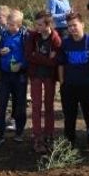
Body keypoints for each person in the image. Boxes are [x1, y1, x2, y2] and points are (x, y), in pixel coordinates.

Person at [58, 12, 89, 154]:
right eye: (69, 26)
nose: (72, 29)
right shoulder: (65, 42)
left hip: (87, 86)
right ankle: (69, 143)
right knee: (69, 116)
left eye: (74, 25)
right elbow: (61, 64)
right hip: (69, 86)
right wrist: (62, 82)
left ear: (82, 25)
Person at [27, 10, 62, 153]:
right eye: (37, 24)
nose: (38, 27)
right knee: (36, 106)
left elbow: (54, 62)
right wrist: (45, 58)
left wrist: (38, 56)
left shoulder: (55, 39)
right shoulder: (33, 37)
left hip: (49, 76)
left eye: (41, 25)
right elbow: (29, 55)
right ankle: (37, 136)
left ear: (49, 25)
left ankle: (49, 134)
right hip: (36, 75)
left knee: (49, 106)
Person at [0, 9, 28, 145]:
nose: (9, 26)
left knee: (20, 103)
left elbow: (28, 54)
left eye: (12, 24)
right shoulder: (3, 35)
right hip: (5, 73)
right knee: (2, 103)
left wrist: (22, 64)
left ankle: (19, 131)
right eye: (8, 23)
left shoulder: (24, 36)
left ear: (19, 25)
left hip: (20, 74)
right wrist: (0, 52)